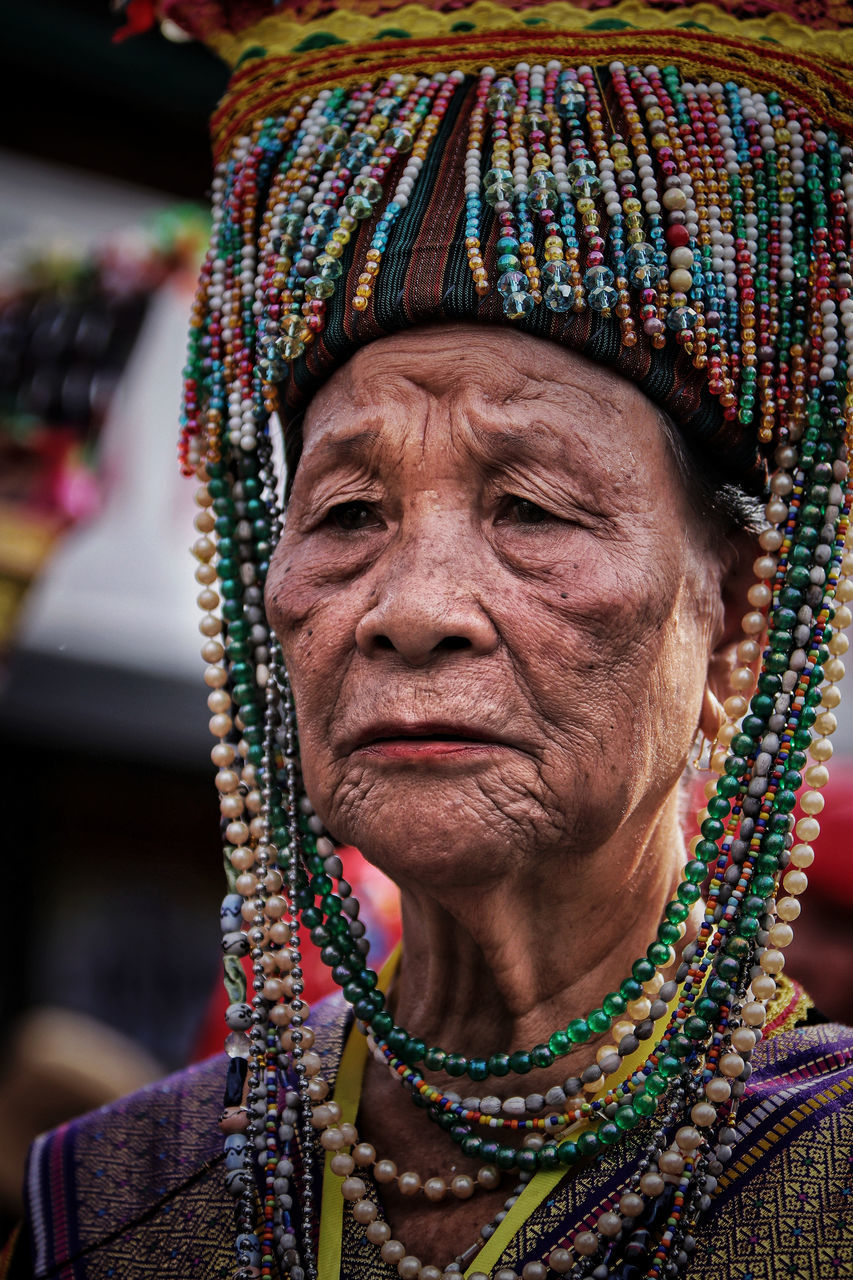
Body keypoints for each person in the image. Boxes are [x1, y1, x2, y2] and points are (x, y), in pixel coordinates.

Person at [10, 0, 853, 1277]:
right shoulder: (122, 1200)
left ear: (733, 615)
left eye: (531, 508)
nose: (413, 607)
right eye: (348, 512)